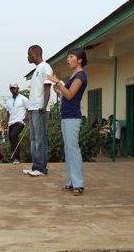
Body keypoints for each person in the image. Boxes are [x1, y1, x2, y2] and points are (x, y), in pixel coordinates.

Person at [48, 48, 88, 195]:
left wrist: (58, 82)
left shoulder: (80, 75)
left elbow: (70, 95)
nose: (68, 59)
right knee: (68, 150)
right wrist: (58, 88)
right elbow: (65, 94)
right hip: (66, 116)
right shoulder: (74, 75)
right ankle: (72, 181)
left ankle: (78, 183)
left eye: (71, 56)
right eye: (68, 57)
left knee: (73, 150)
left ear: (80, 60)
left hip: (72, 116)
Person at [23, 45, 53, 176]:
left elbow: (47, 88)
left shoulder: (45, 67)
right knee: (34, 139)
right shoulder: (36, 70)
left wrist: (44, 106)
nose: (28, 57)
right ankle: (35, 166)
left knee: (40, 139)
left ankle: (41, 168)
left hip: (40, 109)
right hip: (33, 109)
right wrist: (29, 109)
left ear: (36, 54)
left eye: (29, 54)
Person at [4, 83, 28, 164]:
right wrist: (6, 123)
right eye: (11, 88)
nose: (12, 90)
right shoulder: (8, 100)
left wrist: (26, 118)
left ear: (18, 88)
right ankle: (15, 158)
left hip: (20, 122)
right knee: (11, 139)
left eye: (14, 88)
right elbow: (8, 113)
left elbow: (29, 109)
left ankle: (17, 158)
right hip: (11, 123)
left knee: (13, 135)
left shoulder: (23, 99)